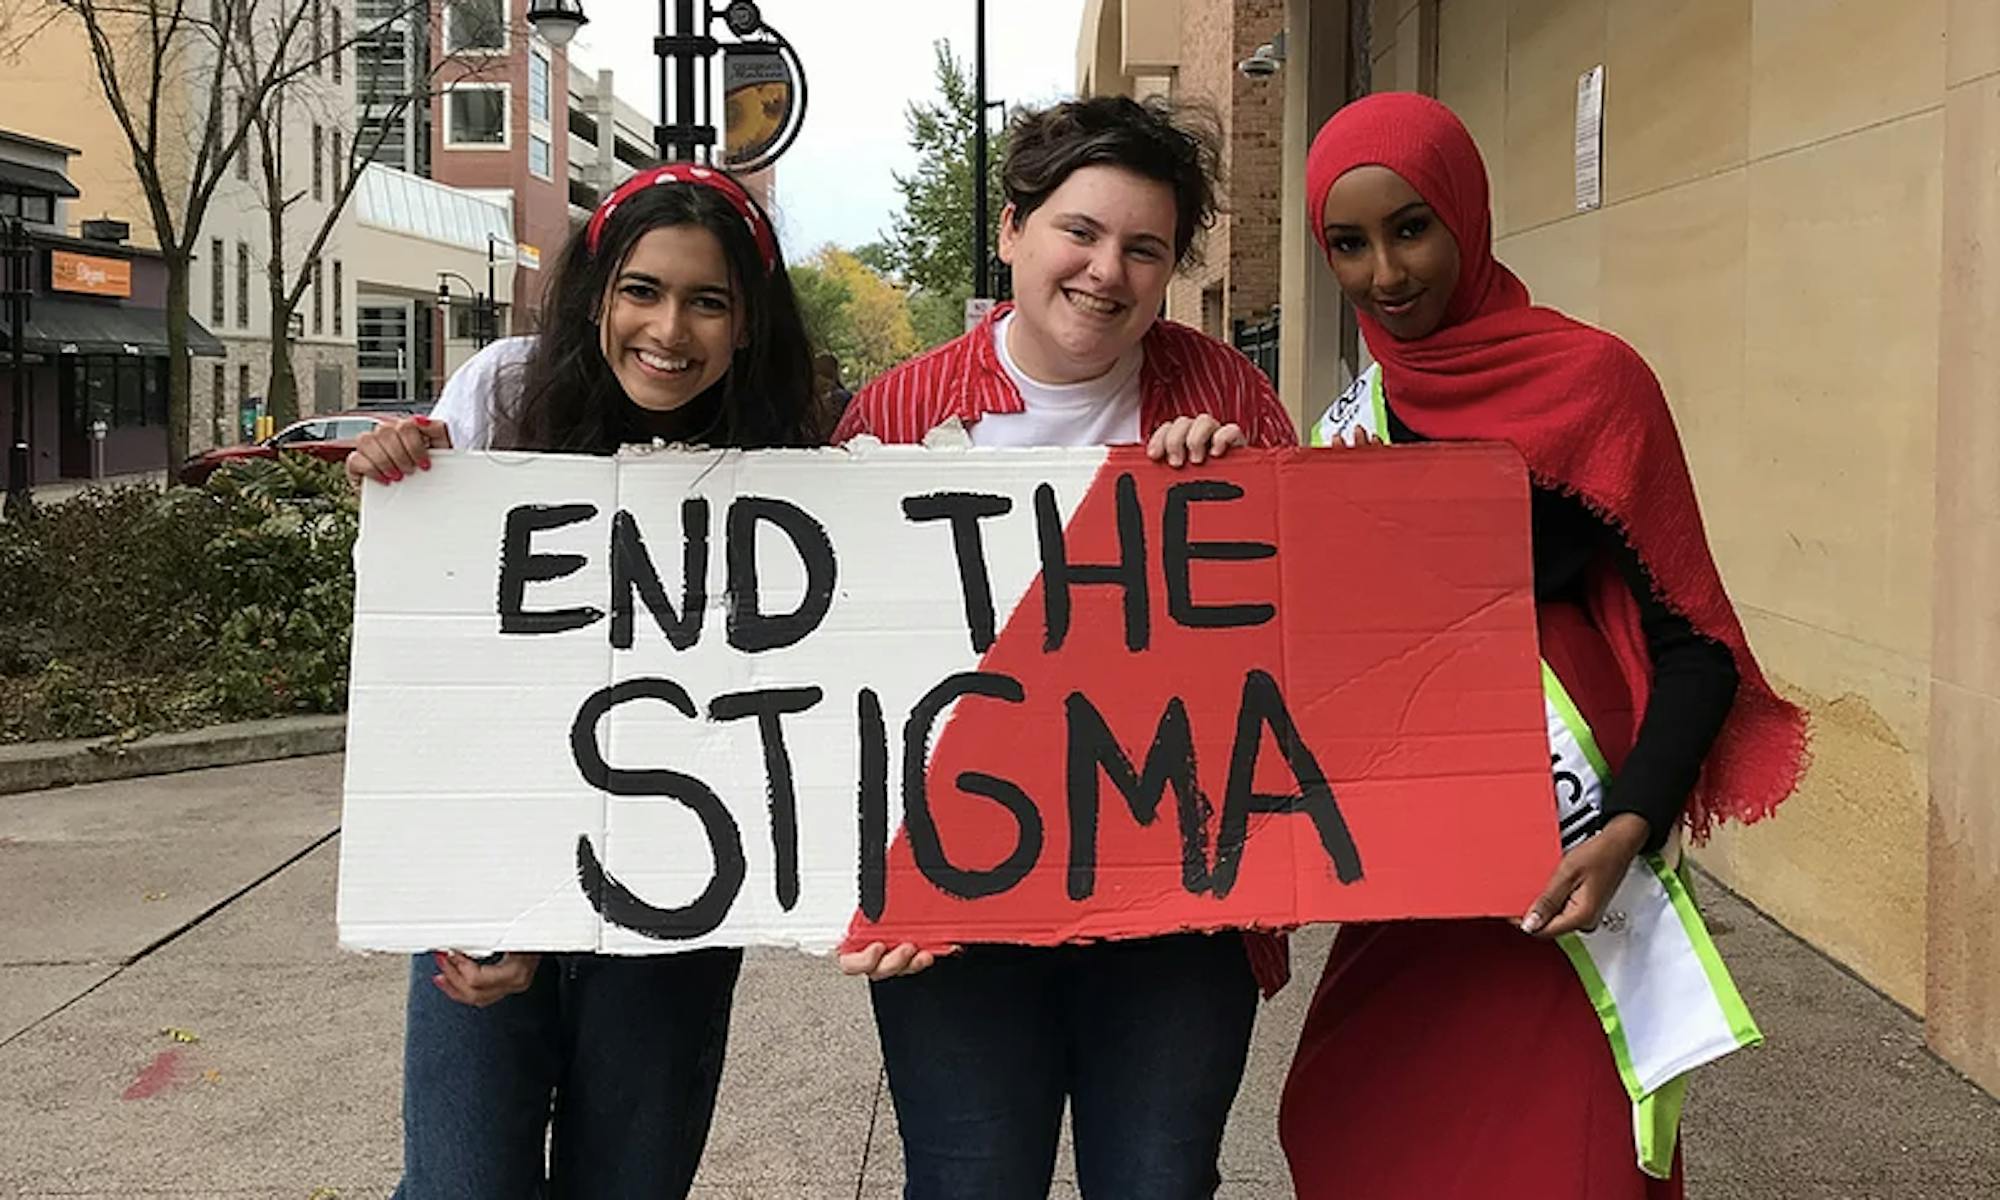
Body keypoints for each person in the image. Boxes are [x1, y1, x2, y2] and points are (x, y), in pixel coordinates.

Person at [1259, 92, 1809, 1199]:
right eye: (1348, 244)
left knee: (1564, 1162)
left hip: (1569, 860)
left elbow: (1691, 644)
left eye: (1409, 228)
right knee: (1355, 1120)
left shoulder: (1594, 383)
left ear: (1465, 213)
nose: (1384, 274)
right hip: (1420, 879)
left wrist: (1625, 828)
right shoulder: (1351, 426)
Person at [831, 95, 1297, 1200]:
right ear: (1011, 231)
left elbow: (1316, 632)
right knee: (967, 1182)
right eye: (1079, 233)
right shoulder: (895, 414)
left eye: (1144, 249)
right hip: (959, 908)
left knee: (1157, 1181)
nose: (1106, 271)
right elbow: (833, 679)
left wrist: (1247, 496)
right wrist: (865, 884)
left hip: (1176, 906)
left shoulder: (1225, 391)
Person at [344, 162, 820, 1199]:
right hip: (487, 877)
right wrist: (400, 472)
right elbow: (434, 658)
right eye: (641, 290)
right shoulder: (503, 392)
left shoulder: (789, 456)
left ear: (747, 324)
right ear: (597, 293)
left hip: (679, 898)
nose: (669, 329)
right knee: (461, 1185)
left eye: (708, 301)